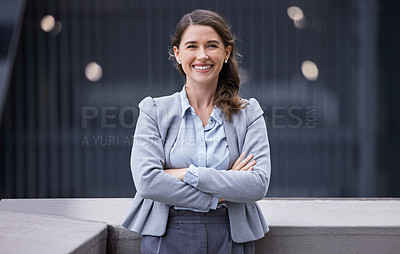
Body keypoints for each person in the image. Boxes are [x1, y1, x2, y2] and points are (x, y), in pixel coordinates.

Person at [121, 9, 271, 254]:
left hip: (230, 236)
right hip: (167, 235)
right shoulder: (154, 111)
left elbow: (256, 185)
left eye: (211, 45)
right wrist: (220, 193)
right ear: (178, 54)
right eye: (192, 46)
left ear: (226, 53)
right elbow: (147, 182)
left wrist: (185, 173)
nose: (202, 55)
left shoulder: (249, 113)